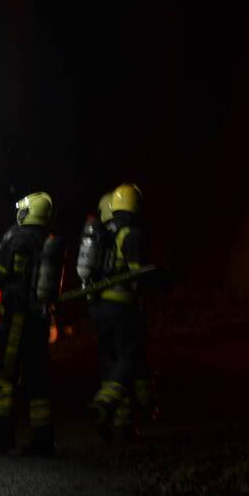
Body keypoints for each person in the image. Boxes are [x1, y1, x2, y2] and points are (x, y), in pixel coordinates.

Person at [0, 192, 64, 456]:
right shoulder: (47, 241)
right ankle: (43, 439)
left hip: (15, 318)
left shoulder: (17, 239)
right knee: (37, 377)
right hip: (38, 319)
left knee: (4, 376)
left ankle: (4, 436)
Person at [85, 183, 152, 441]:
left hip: (99, 307)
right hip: (122, 307)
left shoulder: (105, 231)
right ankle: (104, 402)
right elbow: (138, 276)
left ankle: (119, 424)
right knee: (128, 358)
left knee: (110, 362)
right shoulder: (131, 234)